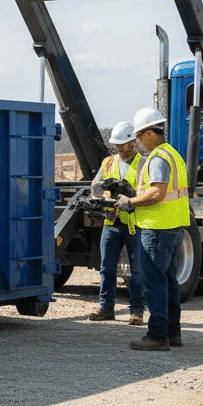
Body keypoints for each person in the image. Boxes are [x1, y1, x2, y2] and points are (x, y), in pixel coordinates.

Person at [114, 107, 191, 351]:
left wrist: (130, 202)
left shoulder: (158, 157)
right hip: (173, 226)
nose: (136, 140)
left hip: (157, 228)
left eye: (138, 135)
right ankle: (172, 333)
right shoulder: (172, 154)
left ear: (149, 132)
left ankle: (157, 336)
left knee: (154, 282)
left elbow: (157, 193)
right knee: (168, 281)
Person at [87, 122, 146, 325]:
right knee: (107, 267)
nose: (120, 148)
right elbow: (94, 187)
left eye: (123, 144)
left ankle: (137, 311)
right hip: (111, 222)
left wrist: (130, 193)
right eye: (117, 145)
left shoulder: (143, 163)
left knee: (137, 269)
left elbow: (147, 194)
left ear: (133, 141)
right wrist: (104, 186)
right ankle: (106, 308)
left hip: (133, 223)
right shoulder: (108, 162)